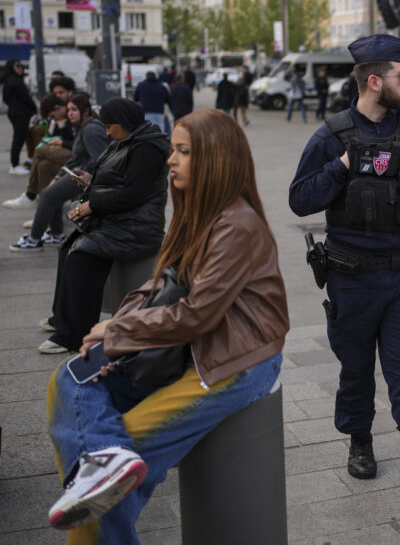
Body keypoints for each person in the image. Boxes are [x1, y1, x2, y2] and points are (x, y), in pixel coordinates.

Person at [45, 109, 289, 541]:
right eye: (172, 150)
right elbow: (161, 283)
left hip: (233, 360)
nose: (170, 161)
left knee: (123, 455)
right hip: (183, 342)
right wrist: (120, 323)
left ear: (216, 160)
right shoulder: (196, 212)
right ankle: (100, 471)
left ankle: (102, 479)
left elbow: (198, 314)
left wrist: (118, 332)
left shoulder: (237, 224)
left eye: (183, 152)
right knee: (69, 381)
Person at [289, 33, 400, 505]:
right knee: (356, 369)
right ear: (373, 81)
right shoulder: (332, 135)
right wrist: (342, 167)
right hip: (352, 277)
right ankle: (359, 440)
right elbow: (299, 199)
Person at [38, 98, 170, 355]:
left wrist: (92, 203)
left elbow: (134, 194)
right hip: (120, 219)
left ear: (124, 123)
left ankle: (73, 335)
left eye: (110, 126)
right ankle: (63, 321)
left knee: (82, 257)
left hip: (136, 227)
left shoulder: (147, 148)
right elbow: (118, 183)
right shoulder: (126, 141)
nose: (107, 131)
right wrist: (90, 182)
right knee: (68, 248)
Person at [10, 94, 109, 253]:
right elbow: (76, 157)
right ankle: (56, 234)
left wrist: (87, 177)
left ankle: (34, 240)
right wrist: (57, 177)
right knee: (49, 189)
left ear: (85, 111)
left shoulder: (90, 130)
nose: (70, 113)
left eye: (74, 110)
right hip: (76, 171)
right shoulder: (83, 127)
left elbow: (101, 159)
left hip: (83, 176)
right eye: (69, 109)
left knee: (47, 196)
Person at [3, 59, 36, 174]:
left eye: (21, 65)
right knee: (19, 138)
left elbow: (5, 99)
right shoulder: (16, 81)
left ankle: (15, 164)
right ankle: (15, 165)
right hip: (20, 113)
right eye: (17, 66)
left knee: (19, 137)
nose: (21, 68)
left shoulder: (8, 81)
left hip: (14, 112)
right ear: (12, 67)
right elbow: (26, 97)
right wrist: (34, 108)